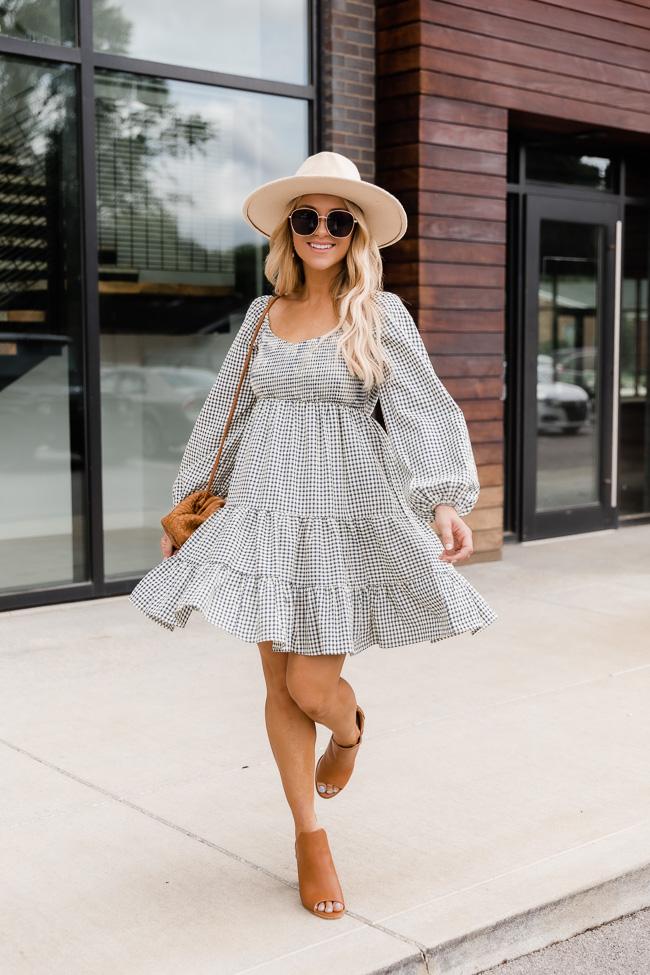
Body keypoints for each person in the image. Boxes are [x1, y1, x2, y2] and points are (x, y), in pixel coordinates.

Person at [129, 151, 498, 920]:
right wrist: (191, 507)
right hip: (262, 507)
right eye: (307, 217)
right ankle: (309, 834)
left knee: (311, 684)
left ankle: (351, 730)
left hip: (344, 510)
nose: (321, 230)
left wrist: (443, 500)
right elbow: (227, 412)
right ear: (289, 231)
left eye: (337, 219)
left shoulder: (379, 314)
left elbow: (423, 410)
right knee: (275, 687)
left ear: (355, 232)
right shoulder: (263, 317)